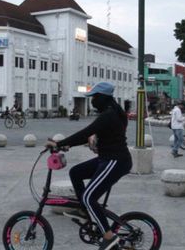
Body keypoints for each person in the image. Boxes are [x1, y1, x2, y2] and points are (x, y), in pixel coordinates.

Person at [45, 82, 132, 250]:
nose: (92, 101)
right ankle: (86, 211)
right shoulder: (111, 112)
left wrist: (58, 143)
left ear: (102, 97)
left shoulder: (109, 114)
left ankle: (109, 237)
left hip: (116, 161)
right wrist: (67, 145)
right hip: (107, 158)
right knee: (76, 172)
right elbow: (90, 136)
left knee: (88, 197)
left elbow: (86, 132)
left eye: (94, 97)